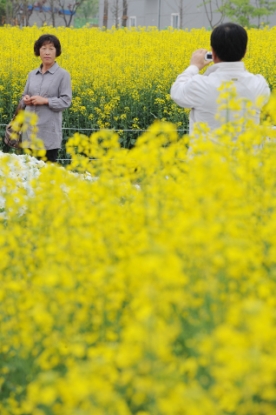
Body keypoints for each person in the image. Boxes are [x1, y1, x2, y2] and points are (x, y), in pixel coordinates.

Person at [170, 23, 270, 134]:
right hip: (246, 151)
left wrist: (194, 66)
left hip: (206, 151)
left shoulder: (200, 85)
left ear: (212, 52)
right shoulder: (259, 85)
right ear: (245, 52)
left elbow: (177, 91)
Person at [21, 34, 72, 162]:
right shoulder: (32, 74)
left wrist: (45, 101)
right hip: (29, 133)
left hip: (47, 134)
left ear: (57, 52)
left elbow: (66, 101)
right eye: (43, 48)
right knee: (28, 172)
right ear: (38, 51)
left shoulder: (63, 75)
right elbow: (23, 96)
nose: (47, 52)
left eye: (51, 49)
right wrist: (26, 99)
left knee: (46, 176)